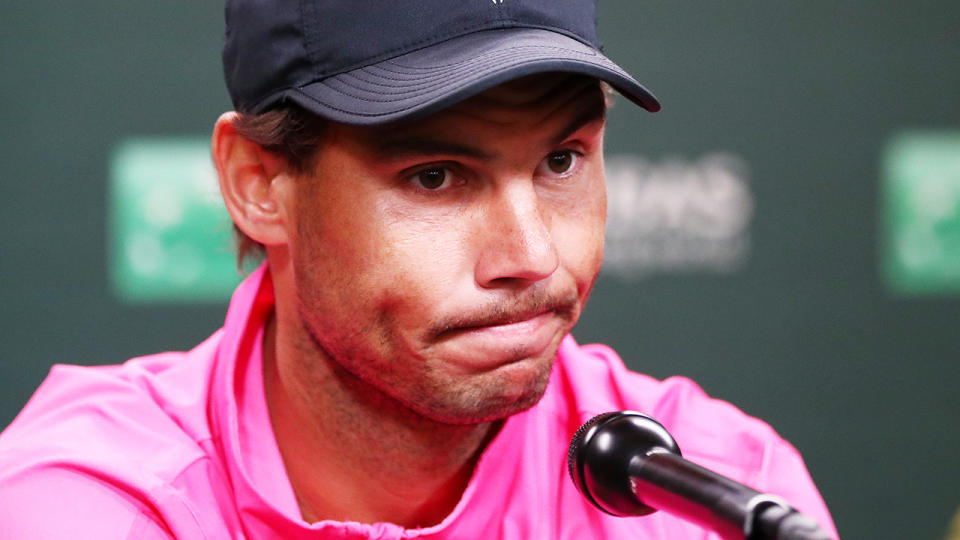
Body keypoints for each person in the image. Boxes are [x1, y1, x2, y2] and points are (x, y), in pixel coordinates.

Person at [0, 1, 838, 538]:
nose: (534, 257)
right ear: (259, 185)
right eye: (434, 176)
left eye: (561, 161)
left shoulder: (719, 498)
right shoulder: (92, 505)